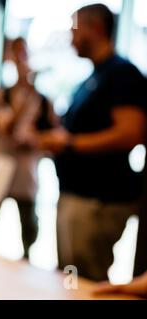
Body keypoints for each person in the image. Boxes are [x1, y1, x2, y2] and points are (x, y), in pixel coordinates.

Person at [38, 4, 147, 281]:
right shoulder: (91, 78)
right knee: (70, 280)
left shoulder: (122, 74)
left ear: (95, 28)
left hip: (97, 202)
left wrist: (71, 143)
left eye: (75, 28)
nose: (70, 36)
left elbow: (131, 133)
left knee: (85, 282)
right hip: (77, 198)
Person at [0, 37, 57, 258]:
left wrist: (37, 140)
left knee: (29, 226)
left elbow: (52, 134)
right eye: (17, 54)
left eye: (25, 54)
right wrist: (27, 97)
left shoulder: (44, 101)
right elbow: (7, 128)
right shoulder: (0, 96)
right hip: (1, 165)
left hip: (27, 170)